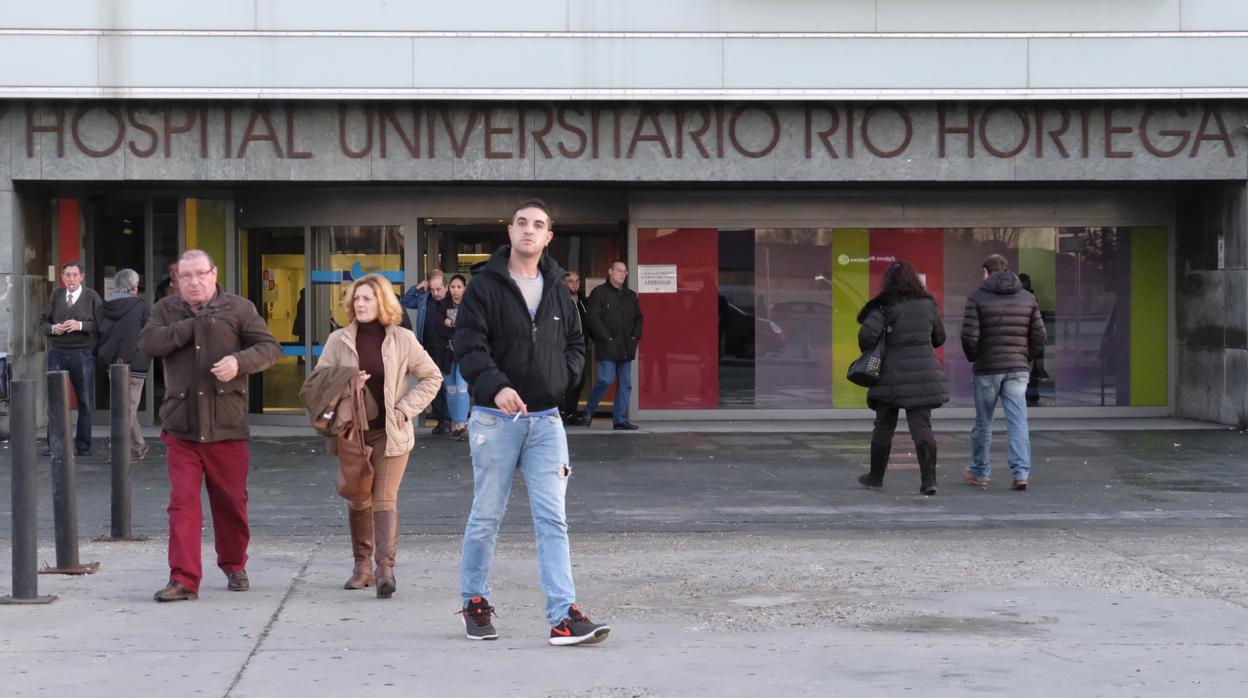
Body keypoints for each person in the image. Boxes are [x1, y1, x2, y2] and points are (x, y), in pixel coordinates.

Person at [454, 198, 609, 646]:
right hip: (494, 419)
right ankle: (475, 602)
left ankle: (563, 616)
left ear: (547, 237)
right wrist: (497, 385)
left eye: (537, 224)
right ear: (510, 231)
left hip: (546, 421)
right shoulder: (485, 285)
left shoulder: (559, 288)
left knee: (552, 518)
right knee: (487, 515)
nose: (528, 230)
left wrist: (560, 381)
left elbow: (577, 342)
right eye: (521, 222)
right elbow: (467, 344)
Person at [139, 249, 281, 602]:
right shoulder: (164, 310)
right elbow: (148, 343)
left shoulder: (239, 308)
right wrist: (193, 327)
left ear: (214, 273)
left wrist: (239, 361)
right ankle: (184, 579)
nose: (193, 282)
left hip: (226, 425)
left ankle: (234, 564)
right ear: (177, 280)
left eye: (200, 274)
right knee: (182, 504)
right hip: (180, 427)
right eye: (184, 276)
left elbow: (270, 347)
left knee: (231, 502)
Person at [313, 274, 442, 598]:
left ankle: (385, 569)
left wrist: (405, 408)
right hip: (352, 435)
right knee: (359, 499)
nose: (360, 304)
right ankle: (362, 567)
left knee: (384, 498)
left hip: (391, 434)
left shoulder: (403, 339)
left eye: (367, 298)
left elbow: (432, 376)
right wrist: (347, 381)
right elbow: (318, 383)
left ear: (382, 302)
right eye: (356, 299)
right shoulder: (338, 340)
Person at [855, 261, 949, 495]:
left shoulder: (884, 306)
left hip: (891, 375)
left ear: (888, 281)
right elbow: (939, 337)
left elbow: (867, 336)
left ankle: (875, 477)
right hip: (923, 374)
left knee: (884, 426)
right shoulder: (928, 304)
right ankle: (929, 481)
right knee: (922, 427)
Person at [961, 254, 1046, 492]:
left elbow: (969, 336)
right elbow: (1040, 335)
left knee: (983, 423)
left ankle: (980, 472)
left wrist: (975, 357)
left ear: (986, 271)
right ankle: (1021, 473)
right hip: (1017, 369)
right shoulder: (1027, 297)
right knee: (1018, 421)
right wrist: (1024, 358)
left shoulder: (977, 297)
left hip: (987, 369)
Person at [40, 260, 104, 457]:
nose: (71, 279)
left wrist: (80, 326)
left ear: (82, 277)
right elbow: (42, 323)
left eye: (75, 275)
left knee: (84, 400)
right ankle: (55, 444)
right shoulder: (56, 296)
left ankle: (83, 445)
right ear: (62, 277)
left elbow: (101, 324)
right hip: (56, 352)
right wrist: (53, 328)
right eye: (67, 275)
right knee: (56, 399)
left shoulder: (91, 296)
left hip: (82, 353)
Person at [97, 268, 152, 460]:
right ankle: (119, 449)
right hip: (136, 363)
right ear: (134, 287)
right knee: (127, 408)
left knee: (124, 407)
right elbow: (150, 332)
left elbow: (98, 333)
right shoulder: (142, 306)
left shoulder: (104, 307)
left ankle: (138, 446)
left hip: (113, 363)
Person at [583, 260, 644, 430]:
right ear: (610, 272)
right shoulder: (599, 293)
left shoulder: (630, 295)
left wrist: (635, 336)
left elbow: (639, 317)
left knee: (625, 384)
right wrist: (607, 337)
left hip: (626, 346)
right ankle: (589, 410)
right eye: (619, 270)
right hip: (608, 346)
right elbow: (593, 319)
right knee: (605, 379)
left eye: (624, 271)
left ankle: (620, 420)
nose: (622, 274)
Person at [400, 270, 452, 434]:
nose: (436, 293)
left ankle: (451, 419)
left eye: (439, 289)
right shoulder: (424, 300)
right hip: (428, 347)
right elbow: (405, 302)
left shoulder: (452, 301)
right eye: (433, 289)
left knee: (447, 386)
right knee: (434, 384)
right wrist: (419, 287)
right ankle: (441, 420)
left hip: (447, 348)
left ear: (446, 287)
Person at [438, 274, 471, 441]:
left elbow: (473, 328)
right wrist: (447, 325)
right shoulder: (443, 305)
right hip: (447, 353)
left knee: (462, 388)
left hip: (464, 352)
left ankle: (461, 424)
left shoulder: (470, 305)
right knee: (450, 390)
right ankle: (454, 423)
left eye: (459, 287)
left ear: (465, 288)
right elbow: (438, 328)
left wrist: (454, 324)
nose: (455, 290)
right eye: (453, 287)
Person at [560, 271, 590, 426]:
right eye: (570, 281)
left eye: (577, 281)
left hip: (581, 348)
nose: (574, 284)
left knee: (579, 381)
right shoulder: (560, 302)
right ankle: (562, 413)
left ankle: (572, 413)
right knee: (565, 382)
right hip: (564, 349)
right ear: (564, 283)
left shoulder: (582, 302)